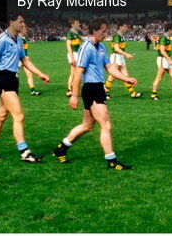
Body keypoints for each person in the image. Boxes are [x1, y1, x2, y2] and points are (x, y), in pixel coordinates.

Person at [52, 17, 137, 170]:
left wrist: (126, 78)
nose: (105, 34)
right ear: (94, 31)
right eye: (103, 31)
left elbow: (110, 67)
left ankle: (61, 149)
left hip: (97, 88)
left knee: (87, 125)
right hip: (91, 89)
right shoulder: (87, 47)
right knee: (106, 125)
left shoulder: (102, 47)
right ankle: (111, 160)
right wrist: (74, 95)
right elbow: (78, 72)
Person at [0, 14, 50, 162]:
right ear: (12, 22)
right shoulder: (2, 39)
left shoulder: (18, 40)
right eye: (21, 21)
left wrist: (39, 74)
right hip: (4, 79)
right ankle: (24, 152)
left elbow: (24, 59)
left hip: (13, 79)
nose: (23, 24)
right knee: (18, 116)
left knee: (1, 116)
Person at [106, 23, 141, 98]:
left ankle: (133, 93)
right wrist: (126, 54)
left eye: (127, 27)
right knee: (112, 76)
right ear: (119, 27)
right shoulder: (117, 36)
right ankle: (105, 93)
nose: (126, 28)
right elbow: (116, 48)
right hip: (116, 56)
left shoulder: (121, 36)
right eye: (125, 27)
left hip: (120, 57)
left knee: (126, 76)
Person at [151, 23, 172, 100]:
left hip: (166, 59)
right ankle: (153, 94)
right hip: (163, 59)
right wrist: (169, 59)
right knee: (159, 77)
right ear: (170, 29)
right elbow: (162, 51)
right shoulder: (163, 38)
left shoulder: (167, 38)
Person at [64, 19, 83, 97]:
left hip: (77, 54)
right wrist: (72, 58)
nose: (78, 24)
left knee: (74, 72)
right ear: (72, 25)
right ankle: (70, 89)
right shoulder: (70, 34)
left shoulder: (77, 33)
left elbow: (83, 40)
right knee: (75, 72)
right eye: (77, 23)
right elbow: (68, 46)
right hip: (73, 54)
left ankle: (70, 89)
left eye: (78, 23)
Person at [22, 29, 42, 96]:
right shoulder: (18, 38)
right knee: (12, 75)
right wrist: (25, 56)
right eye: (25, 29)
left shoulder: (23, 38)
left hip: (24, 59)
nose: (26, 30)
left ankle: (33, 91)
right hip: (18, 59)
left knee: (29, 74)